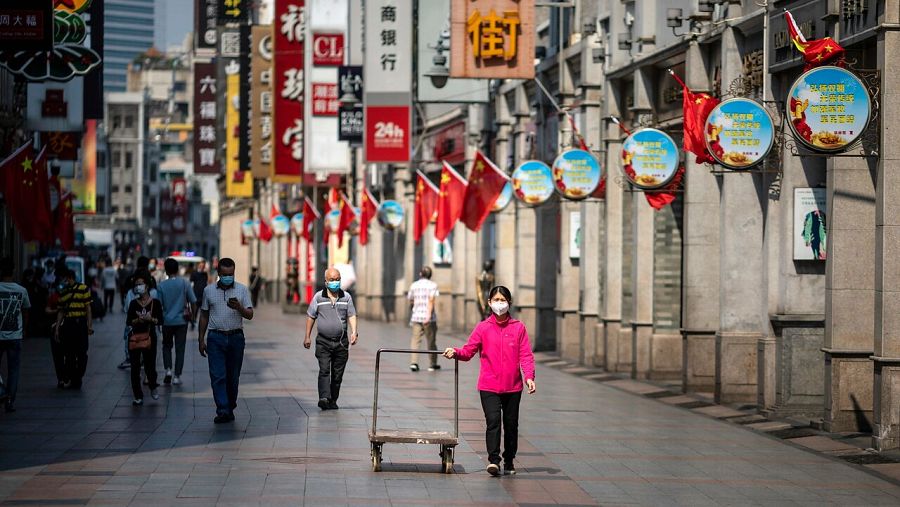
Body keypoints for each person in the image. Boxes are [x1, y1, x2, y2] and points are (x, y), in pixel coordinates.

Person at [444, 286, 536, 476]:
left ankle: (509, 460)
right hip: (489, 386)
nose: (499, 304)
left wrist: (529, 377)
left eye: (503, 300)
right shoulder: (483, 327)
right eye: (496, 300)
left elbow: (526, 355)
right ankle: (494, 461)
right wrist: (455, 352)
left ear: (509, 303)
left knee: (511, 425)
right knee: (493, 421)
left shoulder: (518, 327)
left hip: (513, 387)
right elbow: (468, 351)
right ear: (489, 302)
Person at [197, 257, 253, 423]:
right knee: (218, 375)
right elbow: (204, 315)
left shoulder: (242, 290)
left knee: (233, 377)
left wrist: (239, 307)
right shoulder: (208, 291)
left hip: (236, 338)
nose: (228, 277)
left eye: (231, 274)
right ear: (219, 273)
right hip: (216, 338)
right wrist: (201, 339)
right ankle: (223, 410)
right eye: (225, 274)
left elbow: (250, 314)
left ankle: (230, 405)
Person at [303, 267, 358, 410]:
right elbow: (311, 316)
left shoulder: (346, 297)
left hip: (341, 343)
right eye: (332, 280)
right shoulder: (318, 297)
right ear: (326, 281)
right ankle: (323, 398)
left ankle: (333, 400)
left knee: (337, 374)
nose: (335, 282)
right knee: (324, 369)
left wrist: (354, 332)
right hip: (323, 342)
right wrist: (307, 336)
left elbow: (351, 315)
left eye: (338, 279)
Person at [158, 258, 197, 385]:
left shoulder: (161, 285)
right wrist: (193, 317)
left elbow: (158, 305)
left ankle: (168, 369)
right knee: (180, 348)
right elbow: (193, 301)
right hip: (181, 321)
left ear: (166, 270)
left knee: (166, 346)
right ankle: (177, 376)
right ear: (177, 269)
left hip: (167, 321)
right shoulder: (185, 283)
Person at [125, 271, 162, 405]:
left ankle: (152, 386)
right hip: (135, 337)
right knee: (135, 367)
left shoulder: (155, 303)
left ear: (147, 286)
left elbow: (160, 320)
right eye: (136, 285)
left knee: (149, 365)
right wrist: (138, 320)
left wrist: (150, 319)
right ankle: (138, 395)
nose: (137, 287)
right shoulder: (133, 303)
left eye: (140, 284)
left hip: (150, 337)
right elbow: (128, 322)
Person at [54, 269, 93, 389]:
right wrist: (57, 328)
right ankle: (73, 379)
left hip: (80, 324)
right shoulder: (63, 292)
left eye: (64, 278)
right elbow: (61, 311)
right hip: (68, 324)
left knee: (82, 353)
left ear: (69, 277)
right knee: (69, 354)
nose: (63, 281)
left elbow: (88, 308)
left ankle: (78, 376)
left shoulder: (83, 288)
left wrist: (89, 325)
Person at [0, 258, 30, 412]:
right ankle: (10, 401)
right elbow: (26, 311)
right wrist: (24, 329)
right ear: (13, 271)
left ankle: (2, 392)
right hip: (15, 337)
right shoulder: (21, 290)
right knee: (13, 370)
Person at [407, 266, 439, 372]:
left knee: (415, 340)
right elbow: (431, 300)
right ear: (430, 275)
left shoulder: (414, 285)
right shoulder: (433, 285)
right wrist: (428, 316)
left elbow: (411, 299)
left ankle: (414, 363)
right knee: (431, 341)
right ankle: (432, 364)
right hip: (429, 318)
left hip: (416, 316)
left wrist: (414, 307)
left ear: (420, 274)